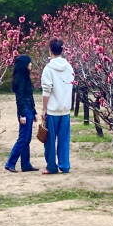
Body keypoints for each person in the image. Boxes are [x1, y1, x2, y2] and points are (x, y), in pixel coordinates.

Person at [40, 38, 75, 174]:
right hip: (65, 109)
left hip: (53, 110)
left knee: (49, 141)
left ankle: (51, 166)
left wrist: (44, 109)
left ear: (50, 50)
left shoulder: (48, 69)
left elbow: (46, 90)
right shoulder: (69, 67)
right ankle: (64, 165)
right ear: (63, 50)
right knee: (64, 140)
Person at [5, 55, 38, 173]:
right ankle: (10, 163)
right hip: (24, 110)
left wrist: (34, 111)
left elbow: (29, 96)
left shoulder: (25, 77)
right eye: (29, 62)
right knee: (23, 138)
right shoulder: (19, 79)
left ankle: (26, 164)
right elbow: (19, 99)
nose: (31, 64)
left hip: (29, 109)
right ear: (25, 64)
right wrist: (22, 114)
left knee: (27, 138)